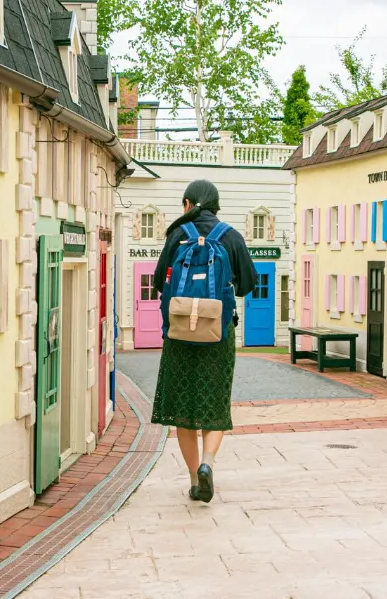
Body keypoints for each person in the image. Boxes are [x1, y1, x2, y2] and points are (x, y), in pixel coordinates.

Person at [151, 180, 257, 503]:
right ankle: (209, 464)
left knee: (184, 412)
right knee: (214, 407)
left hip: (179, 336)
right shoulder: (230, 236)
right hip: (217, 335)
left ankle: (194, 479)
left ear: (188, 204)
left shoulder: (176, 236)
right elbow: (248, 284)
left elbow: (158, 282)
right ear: (215, 206)